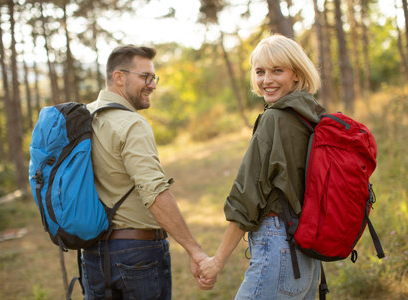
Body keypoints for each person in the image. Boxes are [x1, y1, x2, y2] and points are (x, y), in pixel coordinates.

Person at [198, 34, 326, 299]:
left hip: (280, 248)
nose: (266, 80)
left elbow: (247, 197)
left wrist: (217, 260)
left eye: (277, 70)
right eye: (260, 72)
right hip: (307, 256)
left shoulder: (275, 119)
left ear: (296, 74)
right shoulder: (312, 115)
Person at [82, 45, 213, 299]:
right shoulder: (132, 123)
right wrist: (194, 250)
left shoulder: (83, 116)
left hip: (93, 254)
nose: (152, 85)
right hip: (137, 253)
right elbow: (154, 193)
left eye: (153, 77)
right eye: (145, 77)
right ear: (119, 77)